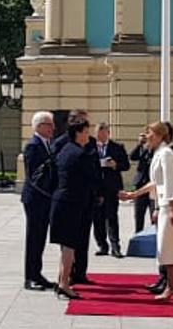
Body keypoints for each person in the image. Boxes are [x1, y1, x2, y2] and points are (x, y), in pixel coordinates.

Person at [120, 121, 173, 300]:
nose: (146, 136)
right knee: (165, 246)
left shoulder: (167, 154)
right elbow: (155, 182)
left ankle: (172, 286)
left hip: (170, 204)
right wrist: (134, 195)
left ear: (159, 135)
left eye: (149, 133)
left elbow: (170, 182)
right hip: (163, 204)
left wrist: (171, 209)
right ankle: (172, 285)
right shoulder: (158, 153)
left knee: (169, 246)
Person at [47, 114, 98, 300]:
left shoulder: (65, 150)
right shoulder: (80, 154)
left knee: (65, 246)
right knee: (70, 246)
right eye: (86, 131)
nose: (88, 135)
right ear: (78, 133)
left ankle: (62, 280)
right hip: (72, 203)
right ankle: (64, 284)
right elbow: (91, 179)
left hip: (60, 201)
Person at [20, 111, 59, 291]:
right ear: (39, 126)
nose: (53, 128)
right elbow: (35, 176)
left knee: (41, 237)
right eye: (49, 125)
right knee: (34, 238)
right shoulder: (33, 146)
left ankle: (37, 273)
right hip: (36, 198)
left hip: (45, 198)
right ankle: (30, 277)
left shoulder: (47, 144)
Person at [91, 123, 130, 258]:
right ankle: (102, 245)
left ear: (108, 133)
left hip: (111, 188)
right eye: (97, 134)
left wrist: (115, 165)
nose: (100, 136)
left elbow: (126, 165)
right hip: (96, 188)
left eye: (102, 133)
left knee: (111, 217)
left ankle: (115, 247)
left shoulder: (117, 147)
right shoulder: (91, 147)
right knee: (97, 219)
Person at [128, 138, 154, 235]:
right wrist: (140, 145)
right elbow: (132, 157)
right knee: (139, 215)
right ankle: (138, 235)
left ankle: (153, 237)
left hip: (152, 186)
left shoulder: (157, 151)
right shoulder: (143, 149)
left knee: (153, 215)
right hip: (140, 183)